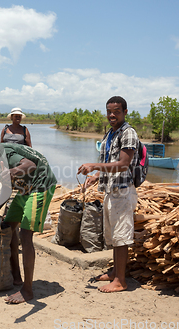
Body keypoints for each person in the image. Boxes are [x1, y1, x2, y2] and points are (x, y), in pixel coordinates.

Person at [0, 131, 57, 304]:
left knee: (26, 235)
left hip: (41, 184)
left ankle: (28, 290)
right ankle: (16, 277)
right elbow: (7, 188)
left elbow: (30, 165)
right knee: (8, 227)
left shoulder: (1, 152)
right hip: (25, 188)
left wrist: (13, 170)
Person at [77, 96, 139, 293]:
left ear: (125, 112)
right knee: (113, 236)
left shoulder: (128, 133)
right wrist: (96, 176)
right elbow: (109, 161)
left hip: (122, 191)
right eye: (109, 111)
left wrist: (94, 165)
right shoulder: (111, 134)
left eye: (117, 111)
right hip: (111, 191)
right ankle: (114, 273)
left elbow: (122, 164)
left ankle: (121, 281)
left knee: (121, 237)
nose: (112, 115)